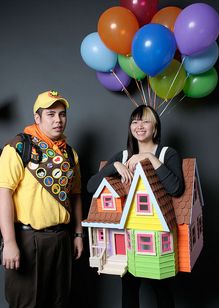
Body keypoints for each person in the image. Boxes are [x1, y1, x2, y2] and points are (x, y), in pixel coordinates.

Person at [87, 105, 185, 308]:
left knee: (162, 290)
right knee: (129, 289)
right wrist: (114, 166)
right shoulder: (122, 157)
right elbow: (90, 186)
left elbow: (175, 189)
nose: (139, 126)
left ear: (155, 127)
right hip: (130, 233)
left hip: (159, 233)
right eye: (135, 121)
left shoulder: (167, 154)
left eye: (145, 121)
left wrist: (149, 158)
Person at [0, 90, 83, 308]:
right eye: (51, 114)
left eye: (62, 114)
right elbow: (3, 192)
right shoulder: (18, 148)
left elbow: (76, 195)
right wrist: (9, 242)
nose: (58, 120)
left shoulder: (69, 154)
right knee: (27, 302)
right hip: (28, 240)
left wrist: (78, 233)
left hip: (62, 239)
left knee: (59, 302)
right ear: (37, 118)